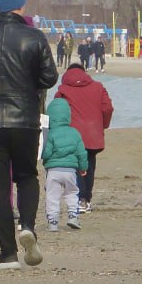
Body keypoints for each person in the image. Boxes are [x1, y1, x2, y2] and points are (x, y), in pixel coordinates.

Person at [0, 0, 59, 269]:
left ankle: (8, 253)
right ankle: (27, 225)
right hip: (25, 120)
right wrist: (27, 81)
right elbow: (50, 77)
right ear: (22, 6)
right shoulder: (34, 37)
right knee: (27, 176)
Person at [54, 62, 114, 214]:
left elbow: (57, 112)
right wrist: (103, 125)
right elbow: (107, 108)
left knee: (76, 165)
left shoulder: (63, 90)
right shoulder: (98, 87)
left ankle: (81, 199)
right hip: (93, 133)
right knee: (89, 164)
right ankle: (86, 199)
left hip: (72, 134)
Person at [41, 98, 88, 231]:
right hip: (70, 170)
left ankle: (53, 222)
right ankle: (73, 216)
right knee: (72, 192)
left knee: (52, 196)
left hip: (53, 171)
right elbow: (81, 153)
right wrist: (83, 167)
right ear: (68, 115)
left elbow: (46, 153)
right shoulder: (74, 133)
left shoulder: (50, 134)